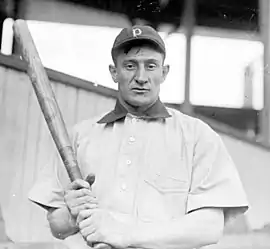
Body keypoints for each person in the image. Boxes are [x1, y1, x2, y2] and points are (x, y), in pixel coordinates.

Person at [28, 25, 249, 249]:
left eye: (151, 66)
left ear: (164, 72)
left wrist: (125, 234)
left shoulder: (197, 135)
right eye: (130, 66)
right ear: (114, 72)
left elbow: (209, 227)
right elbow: (57, 225)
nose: (141, 77)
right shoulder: (79, 135)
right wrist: (71, 214)